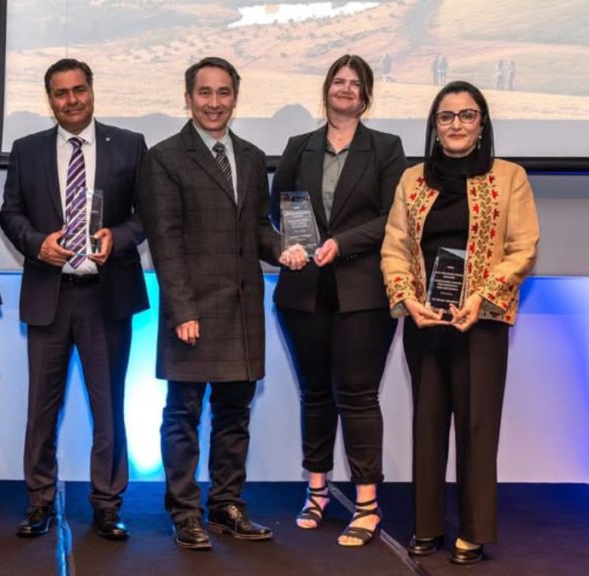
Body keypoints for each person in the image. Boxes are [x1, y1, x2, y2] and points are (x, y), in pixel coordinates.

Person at [381, 80, 539, 565]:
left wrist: (482, 297)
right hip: (426, 320)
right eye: (446, 117)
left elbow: (522, 248)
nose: (456, 125)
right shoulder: (412, 180)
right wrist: (408, 299)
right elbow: (395, 249)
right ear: (434, 125)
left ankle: (474, 531)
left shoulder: (510, 177)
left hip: (482, 323)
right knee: (427, 424)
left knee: (477, 426)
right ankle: (426, 527)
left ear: (482, 122)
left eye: (466, 116)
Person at [141, 56, 295, 551]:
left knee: (235, 414)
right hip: (192, 311)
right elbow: (165, 240)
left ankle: (227, 505)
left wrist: (282, 249)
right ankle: (185, 512)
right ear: (188, 98)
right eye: (204, 93)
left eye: (223, 92)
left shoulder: (250, 156)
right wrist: (182, 309)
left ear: (235, 97)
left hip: (242, 310)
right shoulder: (164, 157)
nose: (214, 103)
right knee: (182, 414)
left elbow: (255, 229)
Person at [0, 58, 149, 541]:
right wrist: (36, 242)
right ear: (50, 100)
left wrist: (119, 237)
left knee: (109, 408)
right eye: (60, 93)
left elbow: (147, 215)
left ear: (91, 90)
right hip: (50, 295)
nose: (71, 100)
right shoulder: (27, 150)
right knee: (41, 409)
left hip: (106, 297)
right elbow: (10, 214)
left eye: (78, 90)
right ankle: (40, 501)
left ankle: (107, 504)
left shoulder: (129, 145)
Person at [271, 54, 406, 546]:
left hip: (363, 292)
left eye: (356, 84)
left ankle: (367, 505)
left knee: (358, 394)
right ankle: (317, 491)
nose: (346, 89)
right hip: (303, 292)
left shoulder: (387, 148)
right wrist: (291, 247)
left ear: (366, 95)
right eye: (339, 81)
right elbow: (280, 209)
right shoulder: (298, 147)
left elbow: (396, 217)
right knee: (315, 393)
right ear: (326, 89)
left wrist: (342, 243)